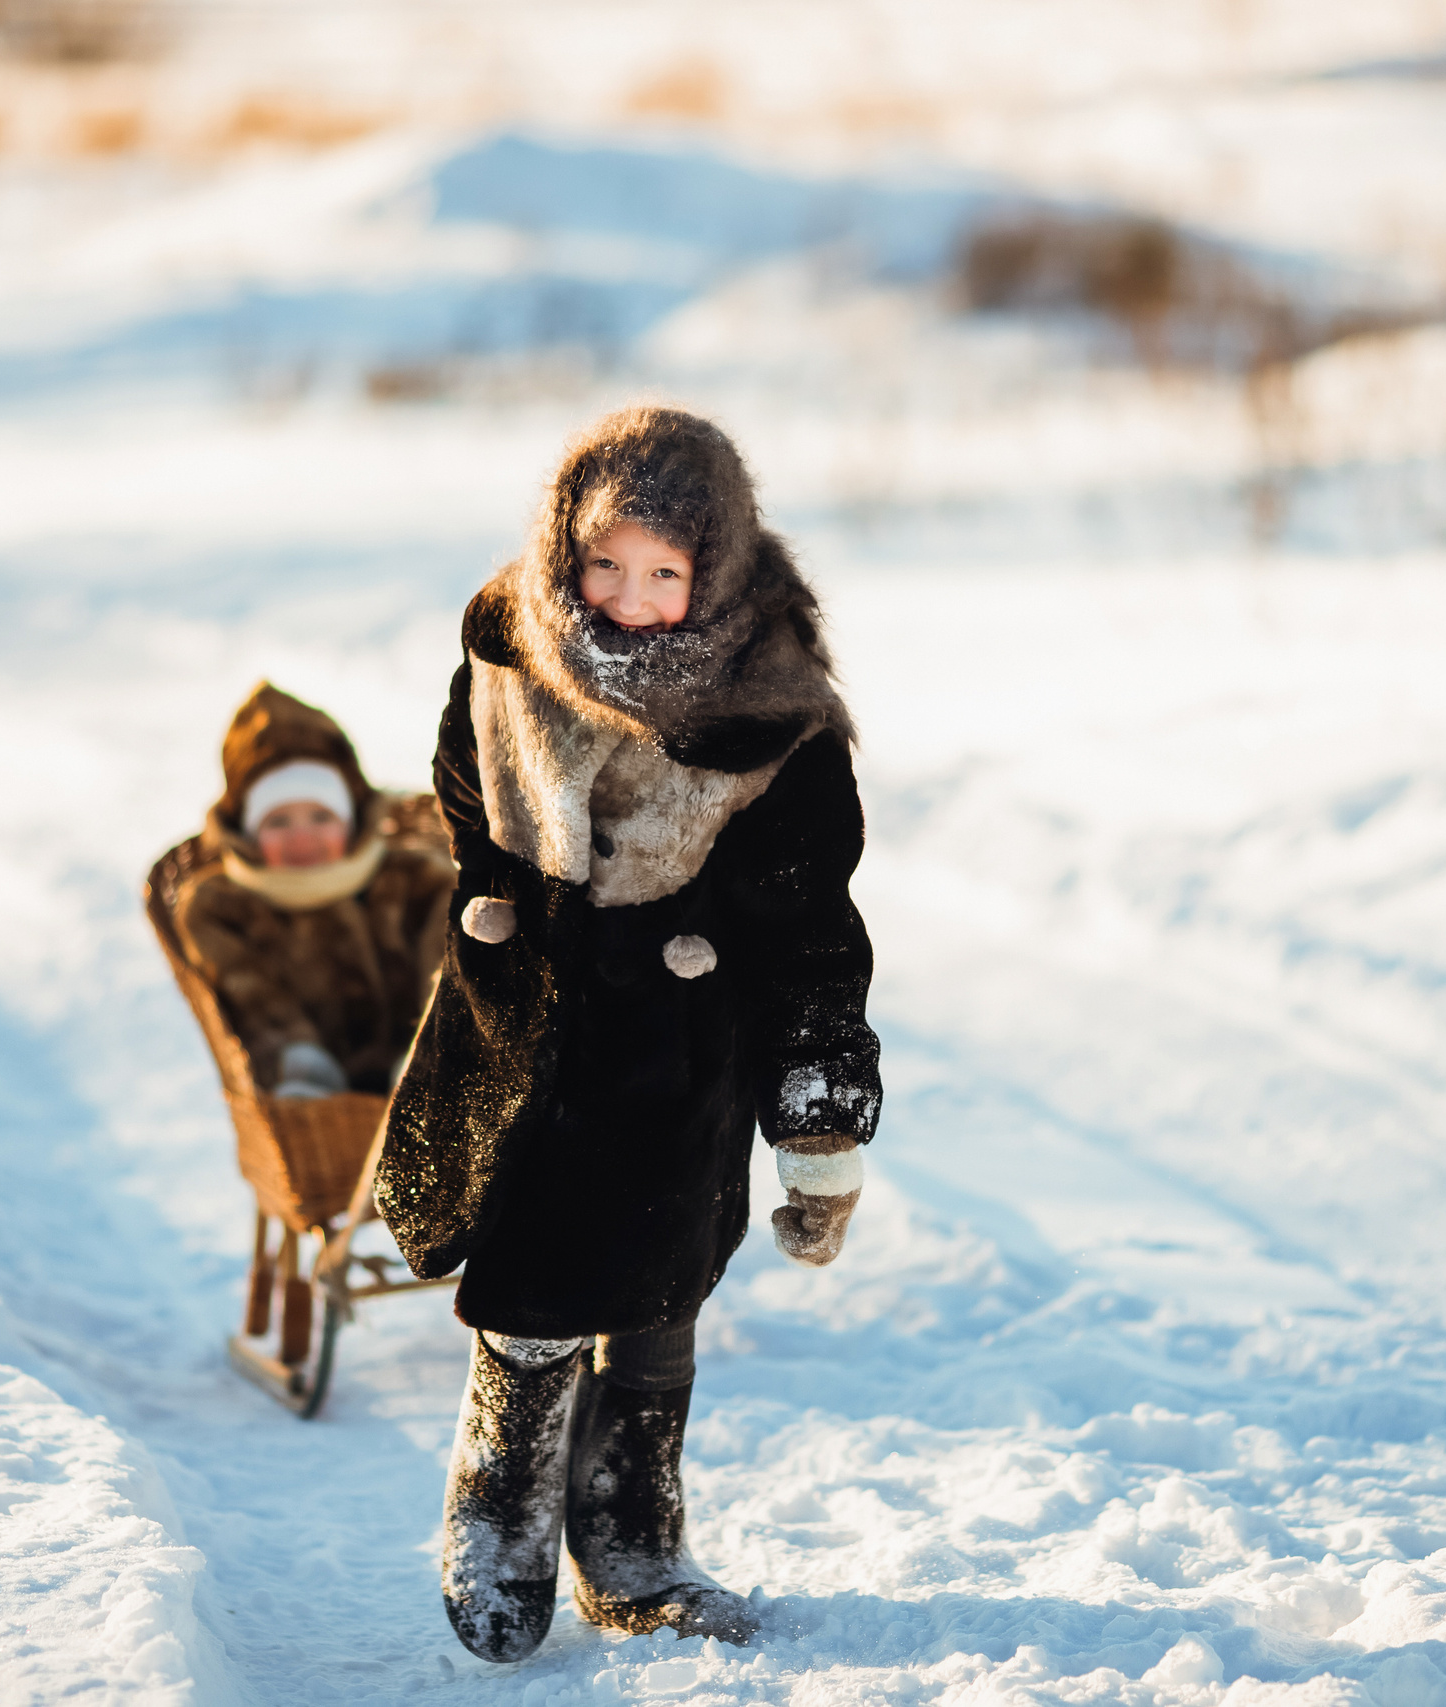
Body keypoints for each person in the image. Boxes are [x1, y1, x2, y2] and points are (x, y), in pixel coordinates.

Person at [376, 407, 882, 1661]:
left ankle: (632, 1539)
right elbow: (462, 787)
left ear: (719, 568)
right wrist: (496, 896)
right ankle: (498, 1501)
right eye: (604, 563)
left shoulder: (771, 721)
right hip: (529, 1031)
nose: (630, 597)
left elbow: (812, 935)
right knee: (534, 1288)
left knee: (657, 1297)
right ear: (563, 550)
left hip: (678, 1054)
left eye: (665, 571)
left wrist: (817, 1121)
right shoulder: (508, 653)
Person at [171, 682, 454, 1100]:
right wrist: (293, 1057)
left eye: (321, 817)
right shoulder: (224, 905)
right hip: (301, 1088)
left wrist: (432, 1050)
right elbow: (243, 989)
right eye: (278, 822)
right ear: (248, 835)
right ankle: (304, 1069)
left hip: (424, 1067)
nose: (301, 838)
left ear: (351, 822)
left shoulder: (413, 880)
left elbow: (445, 962)